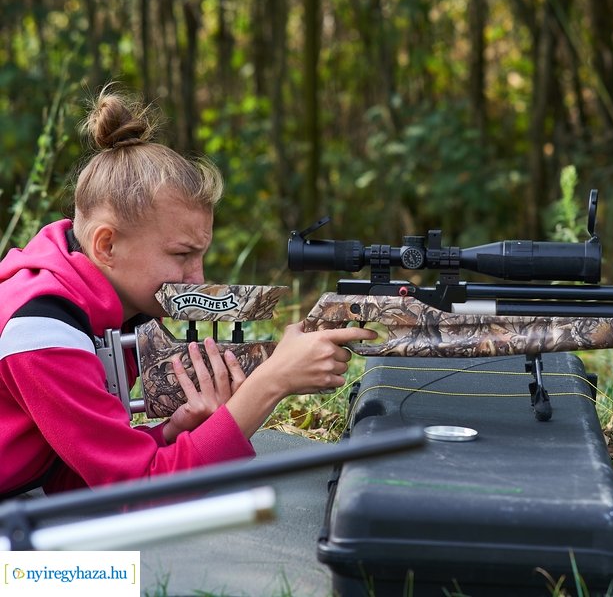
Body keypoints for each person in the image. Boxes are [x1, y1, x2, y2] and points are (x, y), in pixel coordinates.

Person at [0, 86, 375, 498]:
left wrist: (172, 431)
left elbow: (74, 476)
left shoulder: (113, 309)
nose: (196, 278)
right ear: (107, 246)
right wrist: (272, 381)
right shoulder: (41, 332)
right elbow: (137, 494)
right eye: (181, 254)